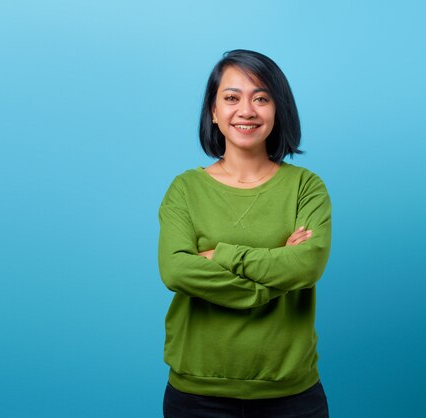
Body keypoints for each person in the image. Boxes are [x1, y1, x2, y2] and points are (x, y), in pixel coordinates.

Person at [158, 49, 332, 418]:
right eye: (232, 98)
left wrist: (219, 256)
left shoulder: (306, 187)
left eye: (262, 98)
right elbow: (176, 271)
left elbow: (308, 265)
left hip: (292, 396)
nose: (247, 110)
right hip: (197, 394)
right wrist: (274, 278)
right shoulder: (185, 189)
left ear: (278, 108)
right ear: (213, 111)